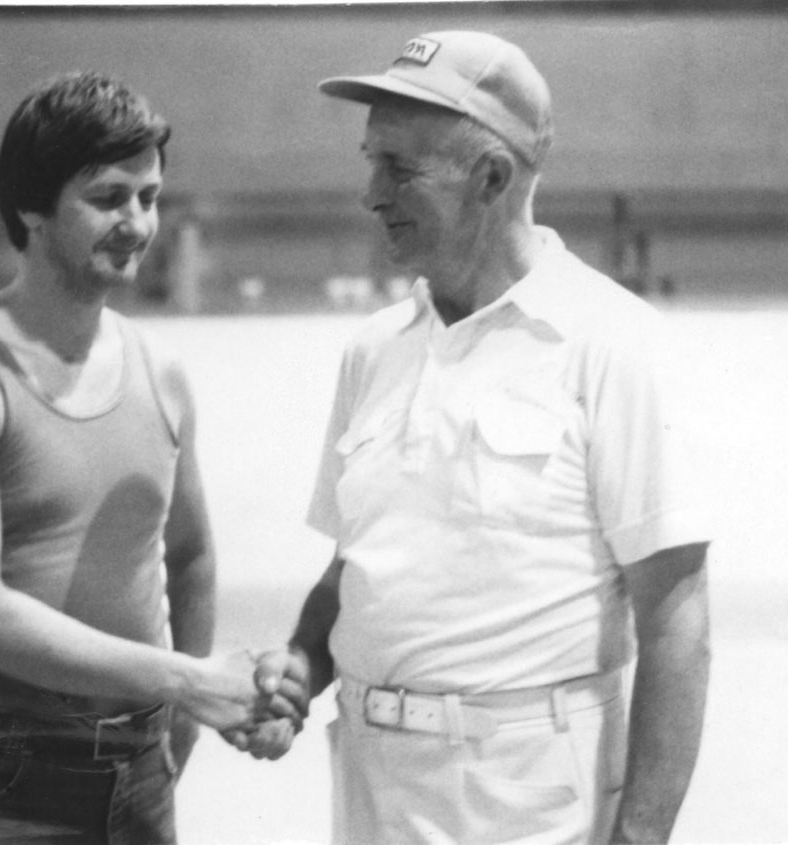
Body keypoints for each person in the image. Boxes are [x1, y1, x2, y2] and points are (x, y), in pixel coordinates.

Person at [238, 30, 712, 845]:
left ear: (492, 176)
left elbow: (677, 621)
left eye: (399, 168)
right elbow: (360, 561)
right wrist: (303, 662)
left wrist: (639, 837)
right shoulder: (375, 351)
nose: (371, 193)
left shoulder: (612, 343)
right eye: (370, 161)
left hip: (531, 803)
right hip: (371, 788)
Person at [0, 71, 294, 844]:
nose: (137, 223)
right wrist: (188, 680)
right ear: (31, 207)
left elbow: (192, 554)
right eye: (109, 198)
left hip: (138, 770)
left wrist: (176, 731)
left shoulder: (161, 370)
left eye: (149, 198)